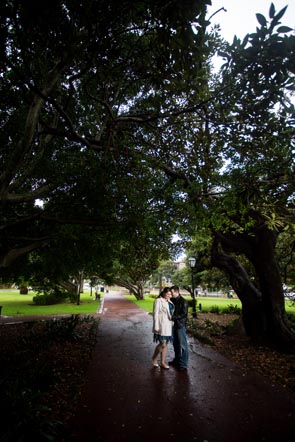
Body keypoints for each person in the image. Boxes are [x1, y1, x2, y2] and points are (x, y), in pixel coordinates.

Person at [152, 287, 174, 369]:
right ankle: (154, 358)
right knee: (162, 344)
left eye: (170, 294)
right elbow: (155, 314)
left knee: (165, 345)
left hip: (168, 325)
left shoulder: (169, 301)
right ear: (164, 293)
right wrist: (156, 326)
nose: (169, 296)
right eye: (168, 294)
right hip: (161, 325)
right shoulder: (158, 301)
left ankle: (162, 362)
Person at [170, 285, 189, 372]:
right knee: (175, 344)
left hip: (180, 325)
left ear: (177, 291)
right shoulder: (172, 300)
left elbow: (184, 314)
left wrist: (174, 317)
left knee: (183, 346)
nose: (171, 293)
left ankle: (183, 364)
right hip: (174, 325)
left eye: (172, 292)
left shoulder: (183, 302)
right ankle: (177, 360)